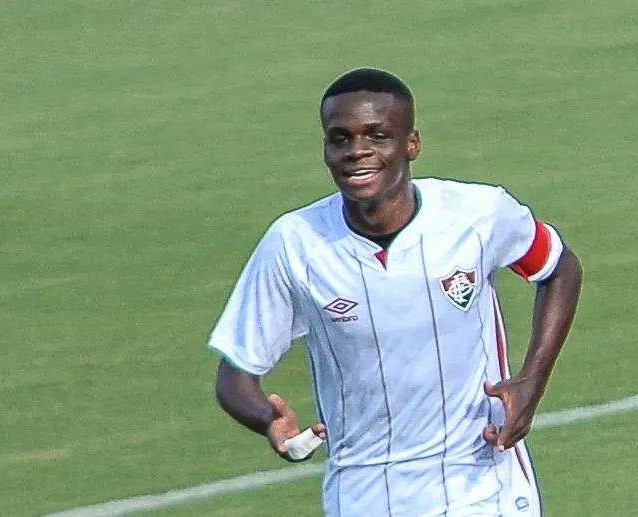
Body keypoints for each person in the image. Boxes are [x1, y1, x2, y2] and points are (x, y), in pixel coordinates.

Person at [208, 67, 583, 517]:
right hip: (363, 493)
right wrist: (268, 421)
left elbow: (558, 267)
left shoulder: (477, 215)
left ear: (412, 144)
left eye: (377, 136)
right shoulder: (295, 244)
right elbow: (235, 374)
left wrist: (532, 381)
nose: (357, 151)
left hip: (480, 483)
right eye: (340, 138)